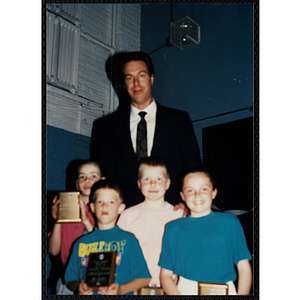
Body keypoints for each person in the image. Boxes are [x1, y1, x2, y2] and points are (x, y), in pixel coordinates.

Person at [90, 51, 202, 208]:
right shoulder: (106, 128)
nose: (136, 83)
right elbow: (106, 177)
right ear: (124, 83)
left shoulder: (178, 120)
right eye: (129, 78)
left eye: (141, 76)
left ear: (151, 78)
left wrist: (186, 203)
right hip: (126, 215)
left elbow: (193, 168)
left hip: (172, 212)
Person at [159, 169, 252, 295]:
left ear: (214, 193)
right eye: (190, 191)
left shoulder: (229, 222)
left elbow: (244, 267)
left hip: (225, 290)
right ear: (182, 196)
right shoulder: (173, 229)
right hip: (186, 290)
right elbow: (165, 275)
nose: (197, 195)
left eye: (204, 189)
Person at [64, 179, 151, 295]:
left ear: (120, 208)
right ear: (92, 207)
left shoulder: (129, 240)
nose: (105, 206)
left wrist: (120, 290)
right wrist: (78, 286)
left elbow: (144, 277)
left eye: (111, 202)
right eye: (100, 202)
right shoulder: (80, 243)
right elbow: (70, 278)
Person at [117, 156, 184, 287]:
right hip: (136, 286)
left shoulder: (179, 215)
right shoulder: (128, 216)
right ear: (139, 184)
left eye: (159, 179)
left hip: (171, 286)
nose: (153, 184)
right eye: (147, 179)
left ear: (168, 184)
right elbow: (119, 254)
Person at [48, 160, 102, 294]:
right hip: (69, 279)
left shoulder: (108, 210)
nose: (87, 180)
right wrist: (57, 220)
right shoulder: (67, 209)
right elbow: (54, 251)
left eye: (93, 176)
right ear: (77, 184)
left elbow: (105, 245)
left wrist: (86, 221)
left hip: (99, 279)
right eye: (82, 177)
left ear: (103, 181)